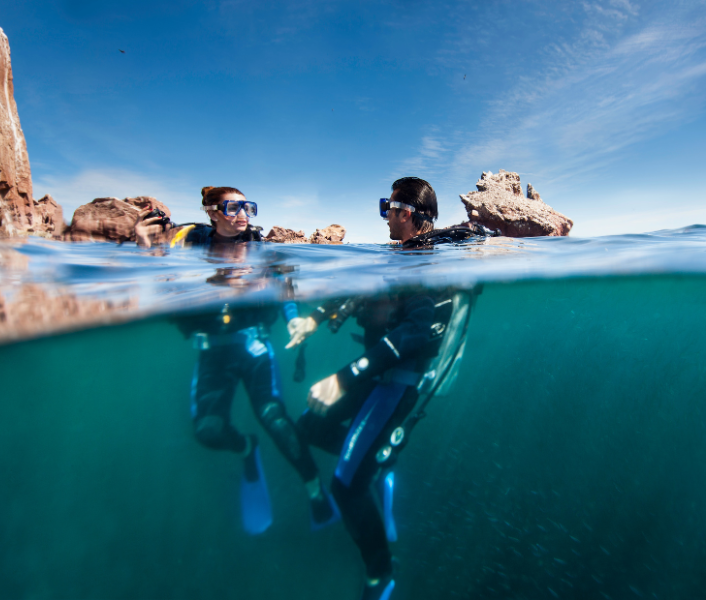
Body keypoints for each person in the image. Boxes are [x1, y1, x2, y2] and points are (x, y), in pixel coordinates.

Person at [288, 177, 478, 600]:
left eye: (387, 208)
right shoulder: (397, 256)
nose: (385, 216)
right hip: (376, 375)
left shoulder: (428, 268)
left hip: (397, 383)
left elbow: (412, 335)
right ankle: (373, 464)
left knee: (344, 487)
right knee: (310, 426)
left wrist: (342, 378)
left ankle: (381, 574)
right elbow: (359, 292)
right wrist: (315, 318)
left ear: (407, 213)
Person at [158, 187, 335, 532]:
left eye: (248, 207)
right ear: (211, 212)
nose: (243, 215)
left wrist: (292, 319)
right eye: (232, 207)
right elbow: (161, 272)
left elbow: (283, 288)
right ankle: (245, 448)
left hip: (253, 347)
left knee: (275, 418)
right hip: (211, 350)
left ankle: (315, 490)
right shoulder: (191, 246)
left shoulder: (261, 251)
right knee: (207, 431)